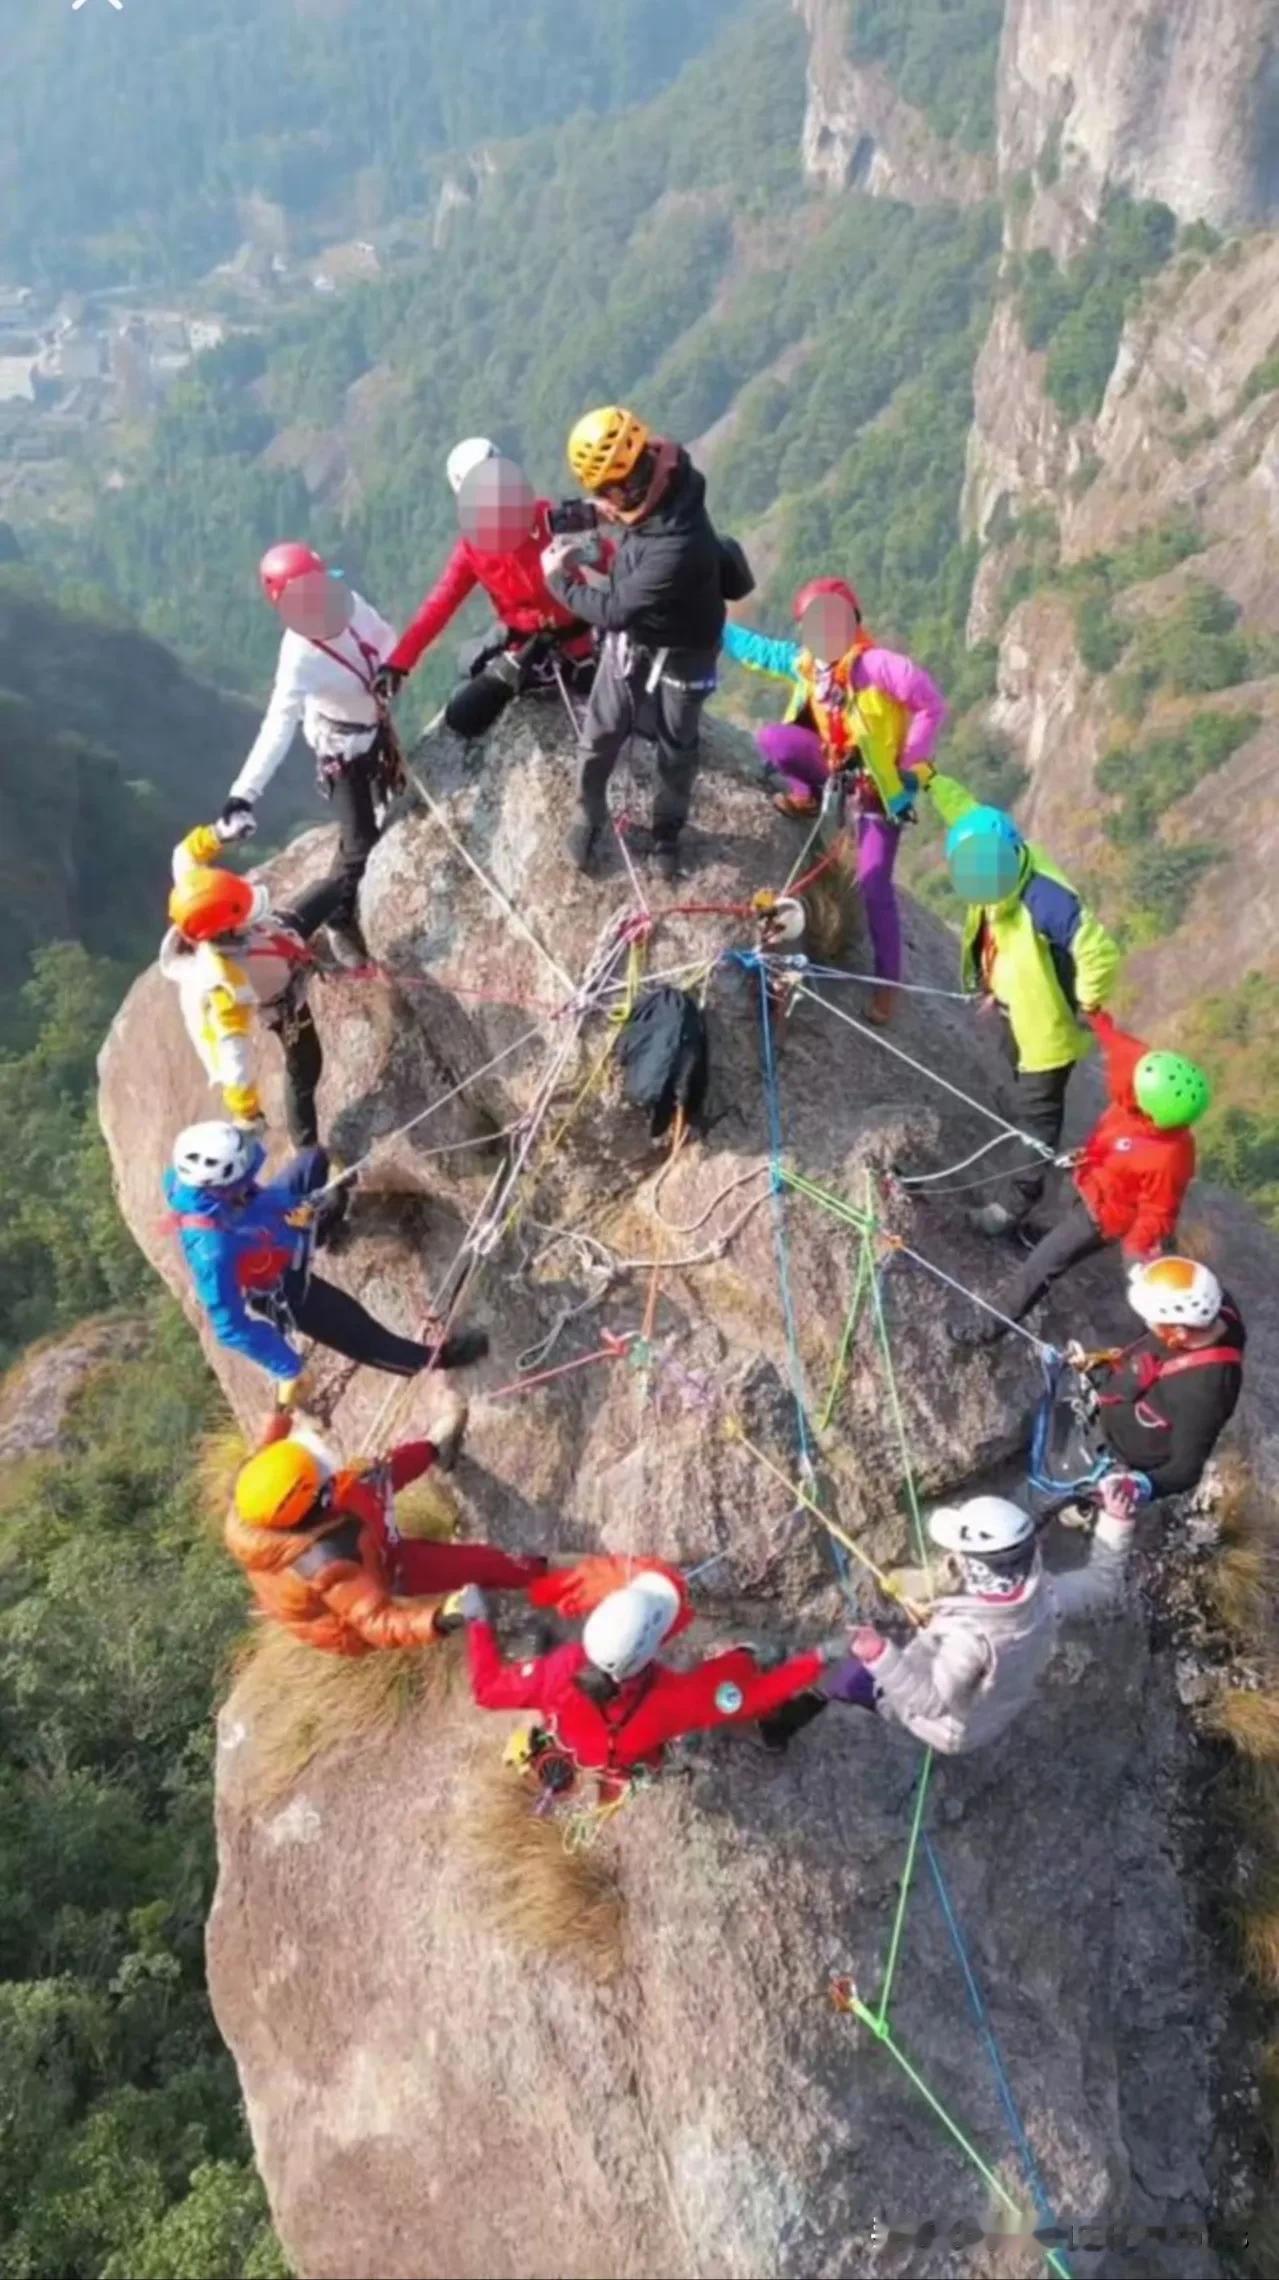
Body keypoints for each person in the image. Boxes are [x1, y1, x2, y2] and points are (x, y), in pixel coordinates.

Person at [722, 577, 947, 1024]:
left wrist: (907, 760)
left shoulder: (881, 667)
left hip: (881, 786)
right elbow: (761, 652)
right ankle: (807, 796)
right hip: (838, 766)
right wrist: (713, 623)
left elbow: (930, 705)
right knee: (774, 740)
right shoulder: (811, 666)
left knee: (873, 881)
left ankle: (888, 986)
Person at [760, 1493, 1134, 1758]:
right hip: (991, 1709)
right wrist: (1117, 1518)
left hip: (949, 1727)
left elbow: (931, 1701)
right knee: (903, 1641)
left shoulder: (968, 1639)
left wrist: (877, 1654)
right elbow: (1104, 1583)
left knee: (840, 1676)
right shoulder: (1044, 1597)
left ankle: (777, 1730)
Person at [542, 406, 734, 883]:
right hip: (643, 638)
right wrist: (618, 511)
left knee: (677, 746)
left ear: (624, 483)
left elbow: (615, 611)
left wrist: (559, 583)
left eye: (604, 491)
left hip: (684, 648)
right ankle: (589, 814)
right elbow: (642, 518)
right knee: (602, 731)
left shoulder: (677, 544)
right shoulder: (665, 472)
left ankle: (666, 833)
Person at [164, 1121, 488, 1390]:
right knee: (359, 1332)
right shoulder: (212, 1252)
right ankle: (439, 1359)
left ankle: (324, 1229)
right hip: (278, 1282)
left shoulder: (196, 1180)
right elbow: (230, 1327)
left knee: (314, 1162)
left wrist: (293, 1210)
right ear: (223, 1184)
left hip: (273, 1228)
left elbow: (250, 1200)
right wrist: (286, 1366)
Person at [927, 779, 1119, 1229]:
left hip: (1046, 1032)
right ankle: (1028, 1144)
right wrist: (933, 781)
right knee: (1019, 1084)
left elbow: (1098, 950)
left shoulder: (1043, 898)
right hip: (1017, 1013)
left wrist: (1088, 999)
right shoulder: (1000, 860)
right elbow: (967, 810)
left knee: (1037, 1121)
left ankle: (1013, 1206)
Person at [951, 1013, 1209, 1346]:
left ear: (1153, 1112)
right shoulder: (1143, 1076)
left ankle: (989, 1328)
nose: (1127, 1088)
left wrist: (1136, 1249)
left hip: (1102, 1216)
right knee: (1061, 1221)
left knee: (1042, 1267)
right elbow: (1122, 1048)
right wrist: (1096, 1019)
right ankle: (1037, 1236)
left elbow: (1158, 1212)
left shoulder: (1169, 1157)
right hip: (1091, 1178)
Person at [459, 1566, 832, 1794]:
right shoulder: (671, 1703)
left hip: (606, 1753)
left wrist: (476, 1621)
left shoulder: (558, 1673)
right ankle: (764, 1721)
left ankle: (652, 1769)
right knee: (732, 1683)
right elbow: (751, 1698)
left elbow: (486, 1691)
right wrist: (816, 1660)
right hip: (633, 1743)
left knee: (690, 1722)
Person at [226, 1413, 547, 1655]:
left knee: (375, 1479)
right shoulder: (331, 1564)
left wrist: (280, 1418)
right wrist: (437, 1620)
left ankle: (434, 1449)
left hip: (345, 1540)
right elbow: (377, 1623)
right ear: (319, 1502)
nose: (328, 1472)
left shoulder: (257, 1498)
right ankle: (520, 1611)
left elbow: (266, 1460)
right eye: (322, 1476)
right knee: (476, 1567)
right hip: (364, 1591)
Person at [218, 543, 400, 965]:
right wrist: (243, 794)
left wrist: (392, 667)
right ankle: (328, 915)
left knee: (382, 814)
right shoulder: (298, 657)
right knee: (361, 845)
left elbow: (384, 637)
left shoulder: (349, 604)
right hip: (342, 749)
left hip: (375, 731)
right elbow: (278, 725)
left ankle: (339, 899)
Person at [374, 439, 604, 740]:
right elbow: (439, 604)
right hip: (525, 649)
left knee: (608, 700)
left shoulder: (548, 517)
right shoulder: (473, 548)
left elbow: (606, 559)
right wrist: (398, 663)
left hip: (576, 640)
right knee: (462, 717)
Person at [161, 821, 329, 1149]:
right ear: (225, 928)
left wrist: (220, 833)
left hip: (279, 936)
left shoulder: (196, 894)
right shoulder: (225, 983)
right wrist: (246, 1112)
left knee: (329, 891)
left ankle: (342, 924)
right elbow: (232, 1053)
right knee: (305, 1070)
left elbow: (184, 855)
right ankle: (306, 1147)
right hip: (284, 1003)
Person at [1053, 1257, 1245, 1507]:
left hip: (1131, 1451)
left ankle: (1083, 1506)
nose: (1148, 1325)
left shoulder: (1205, 1392)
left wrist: (1138, 1485)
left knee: (1083, 1493)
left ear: (1178, 1333)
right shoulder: (1219, 1308)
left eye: (1152, 1322)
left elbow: (1186, 1469)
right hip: (1126, 1400)